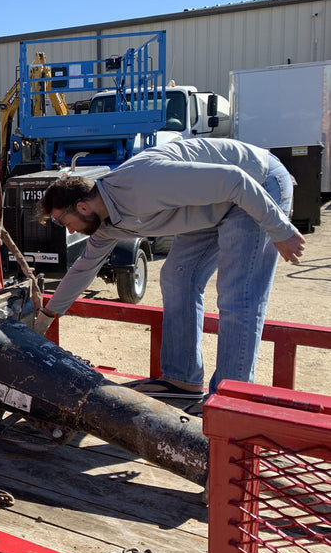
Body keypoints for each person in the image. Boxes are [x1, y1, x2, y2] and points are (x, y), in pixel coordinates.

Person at [33, 138, 305, 410]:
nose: (70, 231)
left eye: (65, 222)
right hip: (211, 206)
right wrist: (47, 315)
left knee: (238, 294)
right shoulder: (105, 224)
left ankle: (229, 401)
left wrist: (280, 230)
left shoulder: (142, 183)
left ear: (83, 207)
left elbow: (236, 181)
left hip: (256, 185)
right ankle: (182, 380)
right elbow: (84, 268)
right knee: (177, 277)